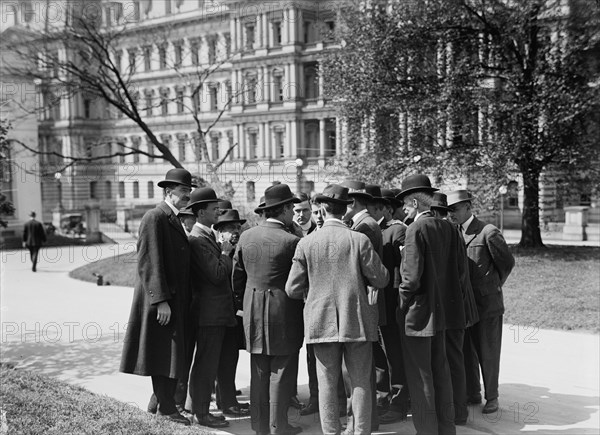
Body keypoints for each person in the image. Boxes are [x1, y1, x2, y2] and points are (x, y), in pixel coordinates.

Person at [286, 184, 389, 435]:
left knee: (327, 383)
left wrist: (313, 293)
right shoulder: (359, 240)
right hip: (357, 320)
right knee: (361, 381)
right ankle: (359, 431)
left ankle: (331, 432)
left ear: (322, 208)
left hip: (321, 322)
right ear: (346, 210)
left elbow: (291, 288)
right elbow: (381, 279)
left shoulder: (307, 243)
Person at [120, 168, 195, 426]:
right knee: (164, 355)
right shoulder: (156, 217)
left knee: (169, 354)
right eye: (183, 191)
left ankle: (161, 406)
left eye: (188, 191)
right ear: (168, 191)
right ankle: (166, 410)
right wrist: (160, 300)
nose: (187, 195)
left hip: (173, 299)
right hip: (162, 300)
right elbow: (149, 261)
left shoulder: (171, 218)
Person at [396, 174, 466, 435]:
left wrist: (401, 305)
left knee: (420, 375)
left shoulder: (416, 229)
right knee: (441, 371)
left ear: (415, 202)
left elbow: (411, 279)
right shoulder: (448, 227)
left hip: (419, 315)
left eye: (405, 204)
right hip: (444, 313)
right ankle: (447, 428)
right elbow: (460, 273)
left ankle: (426, 431)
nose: (403, 208)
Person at [233, 184, 304, 435]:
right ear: (283, 209)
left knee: (259, 370)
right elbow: (300, 282)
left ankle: (260, 426)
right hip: (284, 311)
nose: (294, 213)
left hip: (252, 310)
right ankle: (278, 426)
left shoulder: (245, 237)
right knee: (282, 371)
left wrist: (244, 304)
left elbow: (236, 278)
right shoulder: (292, 241)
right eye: (292, 208)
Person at [447, 190, 515, 415]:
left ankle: (492, 397)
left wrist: (492, 287)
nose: (451, 214)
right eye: (449, 210)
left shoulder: (488, 232)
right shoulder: (453, 232)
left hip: (487, 305)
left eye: (454, 209)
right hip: (465, 305)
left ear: (467, 207)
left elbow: (505, 263)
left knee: (488, 351)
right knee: (467, 349)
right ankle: (472, 392)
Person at [185, 187, 236, 429]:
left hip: (213, 314)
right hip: (208, 315)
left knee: (207, 364)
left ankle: (201, 411)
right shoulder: (198, 240)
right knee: (205, 365)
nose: (218, 211)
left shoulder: (204, 237)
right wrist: (226, 253)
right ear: (201, 212)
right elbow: (216, 274)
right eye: (214, 208)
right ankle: (201, 414)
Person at [430, 191, 479, 425]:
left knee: (447, 362)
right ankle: (459, 412)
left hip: (447, 309)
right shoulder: (454, 232)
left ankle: (454, 411)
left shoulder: (434, 232)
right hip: (457, 308)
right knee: (456, 361)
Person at [377, 188, 411, 424]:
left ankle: (398, 403)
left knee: (395, 355)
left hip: (391, 303)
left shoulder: (397, 230)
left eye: (378, 205)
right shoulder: (377, 229)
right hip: (377, 305)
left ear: (387, 208)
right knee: (382, 354)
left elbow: (403, 271)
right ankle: (384, 398)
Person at [213, 209, 251, 417]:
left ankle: (229, 400)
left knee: (231, 358)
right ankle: (226, 404)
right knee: (225, 360)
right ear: (220, 232)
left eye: (237, 228)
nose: (235, 232)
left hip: (234, 314)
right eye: (230, 229)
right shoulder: (219, 252)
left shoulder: (238, 249)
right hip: (222, 314)